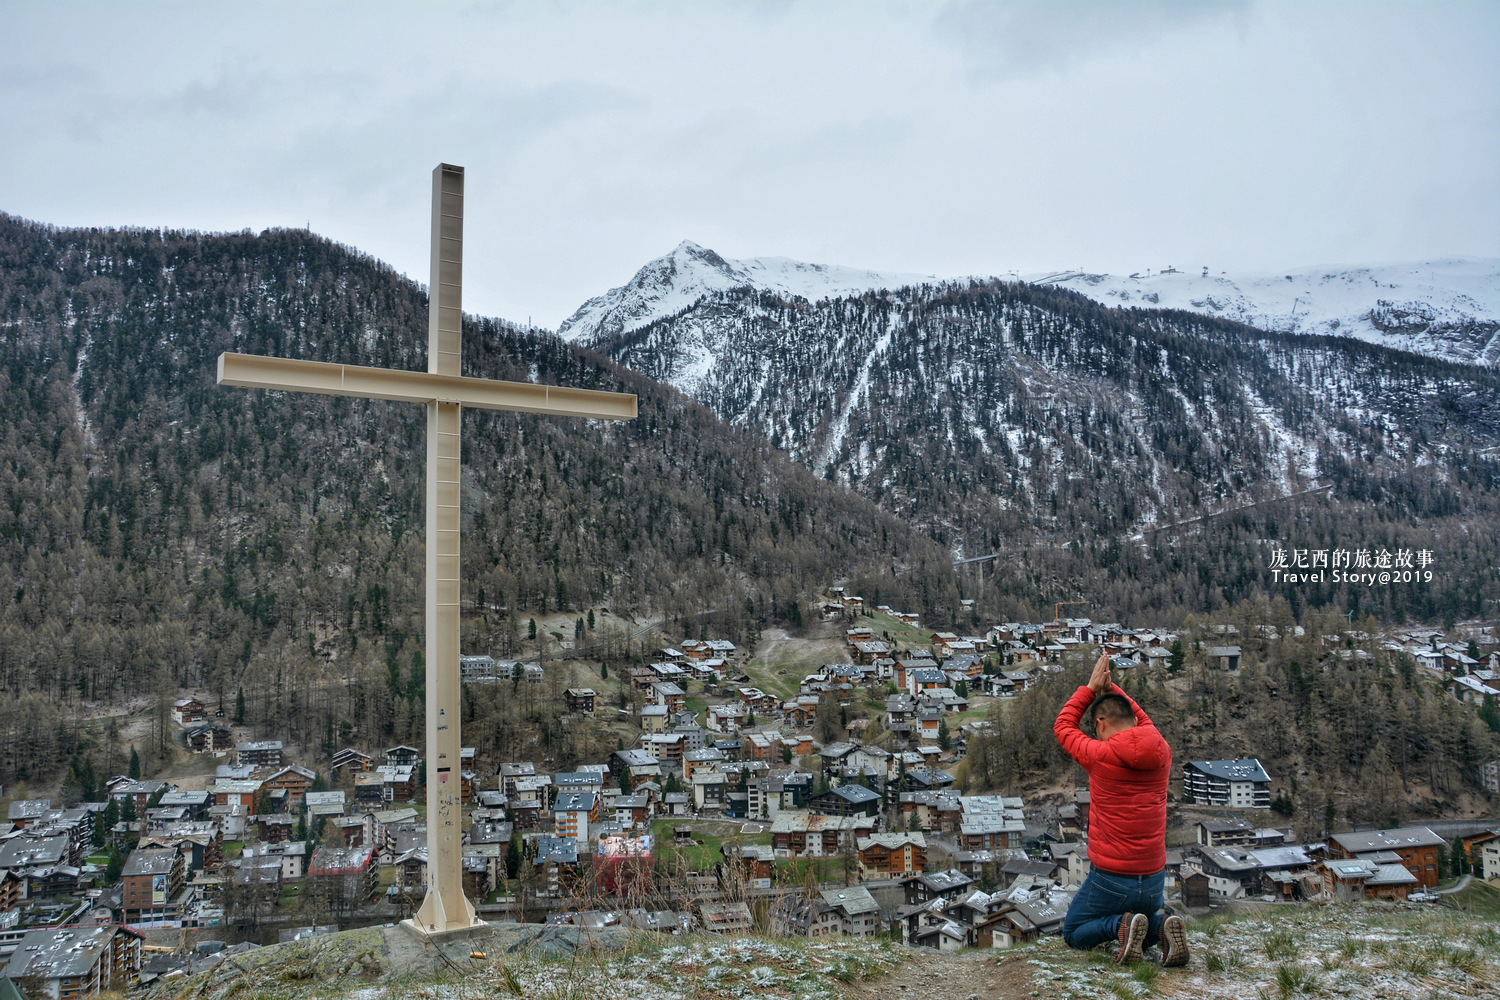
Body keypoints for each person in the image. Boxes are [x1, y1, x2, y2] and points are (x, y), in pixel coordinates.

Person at [1054, 651, 1189, 967]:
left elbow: (1063, 725)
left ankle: (1121, 927)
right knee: (1145, 912)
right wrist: (1112, 690)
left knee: (1074, 931)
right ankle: (1159, 926)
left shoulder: (1100, 755)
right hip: (1155, 879)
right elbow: (1143, 724)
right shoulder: (1162, 751)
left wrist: (1092, 688)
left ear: (1099, 724)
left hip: (1111, 879)